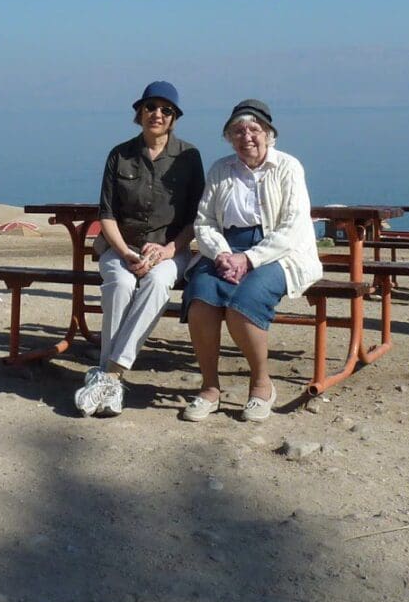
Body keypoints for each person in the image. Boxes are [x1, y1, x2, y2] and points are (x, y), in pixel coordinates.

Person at [180, 99, 321, 423]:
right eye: (238, 131)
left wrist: (249, 258)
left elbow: (292, 227)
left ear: (268, 134)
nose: (247, 137)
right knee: (201, 301)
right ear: (229, 137)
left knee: (243, 305)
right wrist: (222, 254)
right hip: (225, 250)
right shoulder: (220, 169)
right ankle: (209, 388)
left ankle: (261, 385)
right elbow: (205, 221)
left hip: (279, 252)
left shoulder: (288, 167)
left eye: (254, 129)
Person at [74, 81, 205, 417]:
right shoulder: (119, 155)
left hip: (170, 251)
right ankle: (111, 383)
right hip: (121, 247)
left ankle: (110, 374)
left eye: (166, 110)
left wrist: (168, 250)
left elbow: (197, 217)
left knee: (158, 283)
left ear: (174, 117)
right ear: (139, 112)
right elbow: (106, 214)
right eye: (150, 107)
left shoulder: (189, 157)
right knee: (120, 283)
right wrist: (125, 253)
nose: (157, 114)